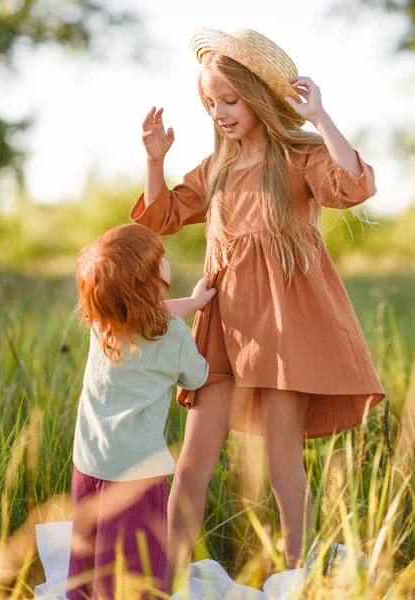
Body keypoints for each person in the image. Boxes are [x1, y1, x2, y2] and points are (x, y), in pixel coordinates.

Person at [131, 28, 386, 593]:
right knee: (193, 462)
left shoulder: (299, 155)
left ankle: (295, 578)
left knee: (281, 466)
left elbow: (353, 185)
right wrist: (155, 161)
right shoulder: (216, 167)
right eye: (209, 103)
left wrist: (319, 117)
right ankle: (167, 582)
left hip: (285, 330)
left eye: (229, 99)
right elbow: (161, 217)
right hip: (224, 329)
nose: (219, 112)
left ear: (258, 95)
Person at [66, 223, 216, 599]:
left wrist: (192, 304)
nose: (166, 260)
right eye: (160, 258)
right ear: (149, 278)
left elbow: (148, 312)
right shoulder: (174, 335)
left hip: (89, 459)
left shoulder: (104, 321)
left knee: (89, 547)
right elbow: (197, 377)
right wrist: (194, 326)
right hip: (136, 472)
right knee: (135, 564)